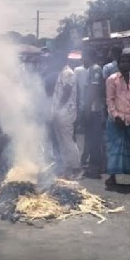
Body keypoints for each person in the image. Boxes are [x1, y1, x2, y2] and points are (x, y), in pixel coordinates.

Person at [105, 52, 130, 187]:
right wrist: (115, 116)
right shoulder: (112, 79)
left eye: (127, 62)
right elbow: (109, 100)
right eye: (122, 61)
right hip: (116, 120)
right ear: (118, 63)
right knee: (114, 148)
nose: (125, 64)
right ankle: (112, 176)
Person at [50, 51, 81, 179]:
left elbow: (67, 92)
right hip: (60, 112)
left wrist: (58, 108)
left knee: (67, 140)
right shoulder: (62, 72)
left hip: (65, 112)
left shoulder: (68, 73)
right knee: (62, 140)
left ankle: (76, 168)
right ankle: (66, 168)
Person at [80, 48, 106, 179]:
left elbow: (93, 90)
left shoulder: (94, 69)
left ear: (88, 57)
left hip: (94, 110)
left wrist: (88, 109)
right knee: (92, 139)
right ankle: (94, 166)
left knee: (94, 140)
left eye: (84, 57)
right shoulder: (92, 69)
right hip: (93, 109)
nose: (82, 60)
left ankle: (95, 168)